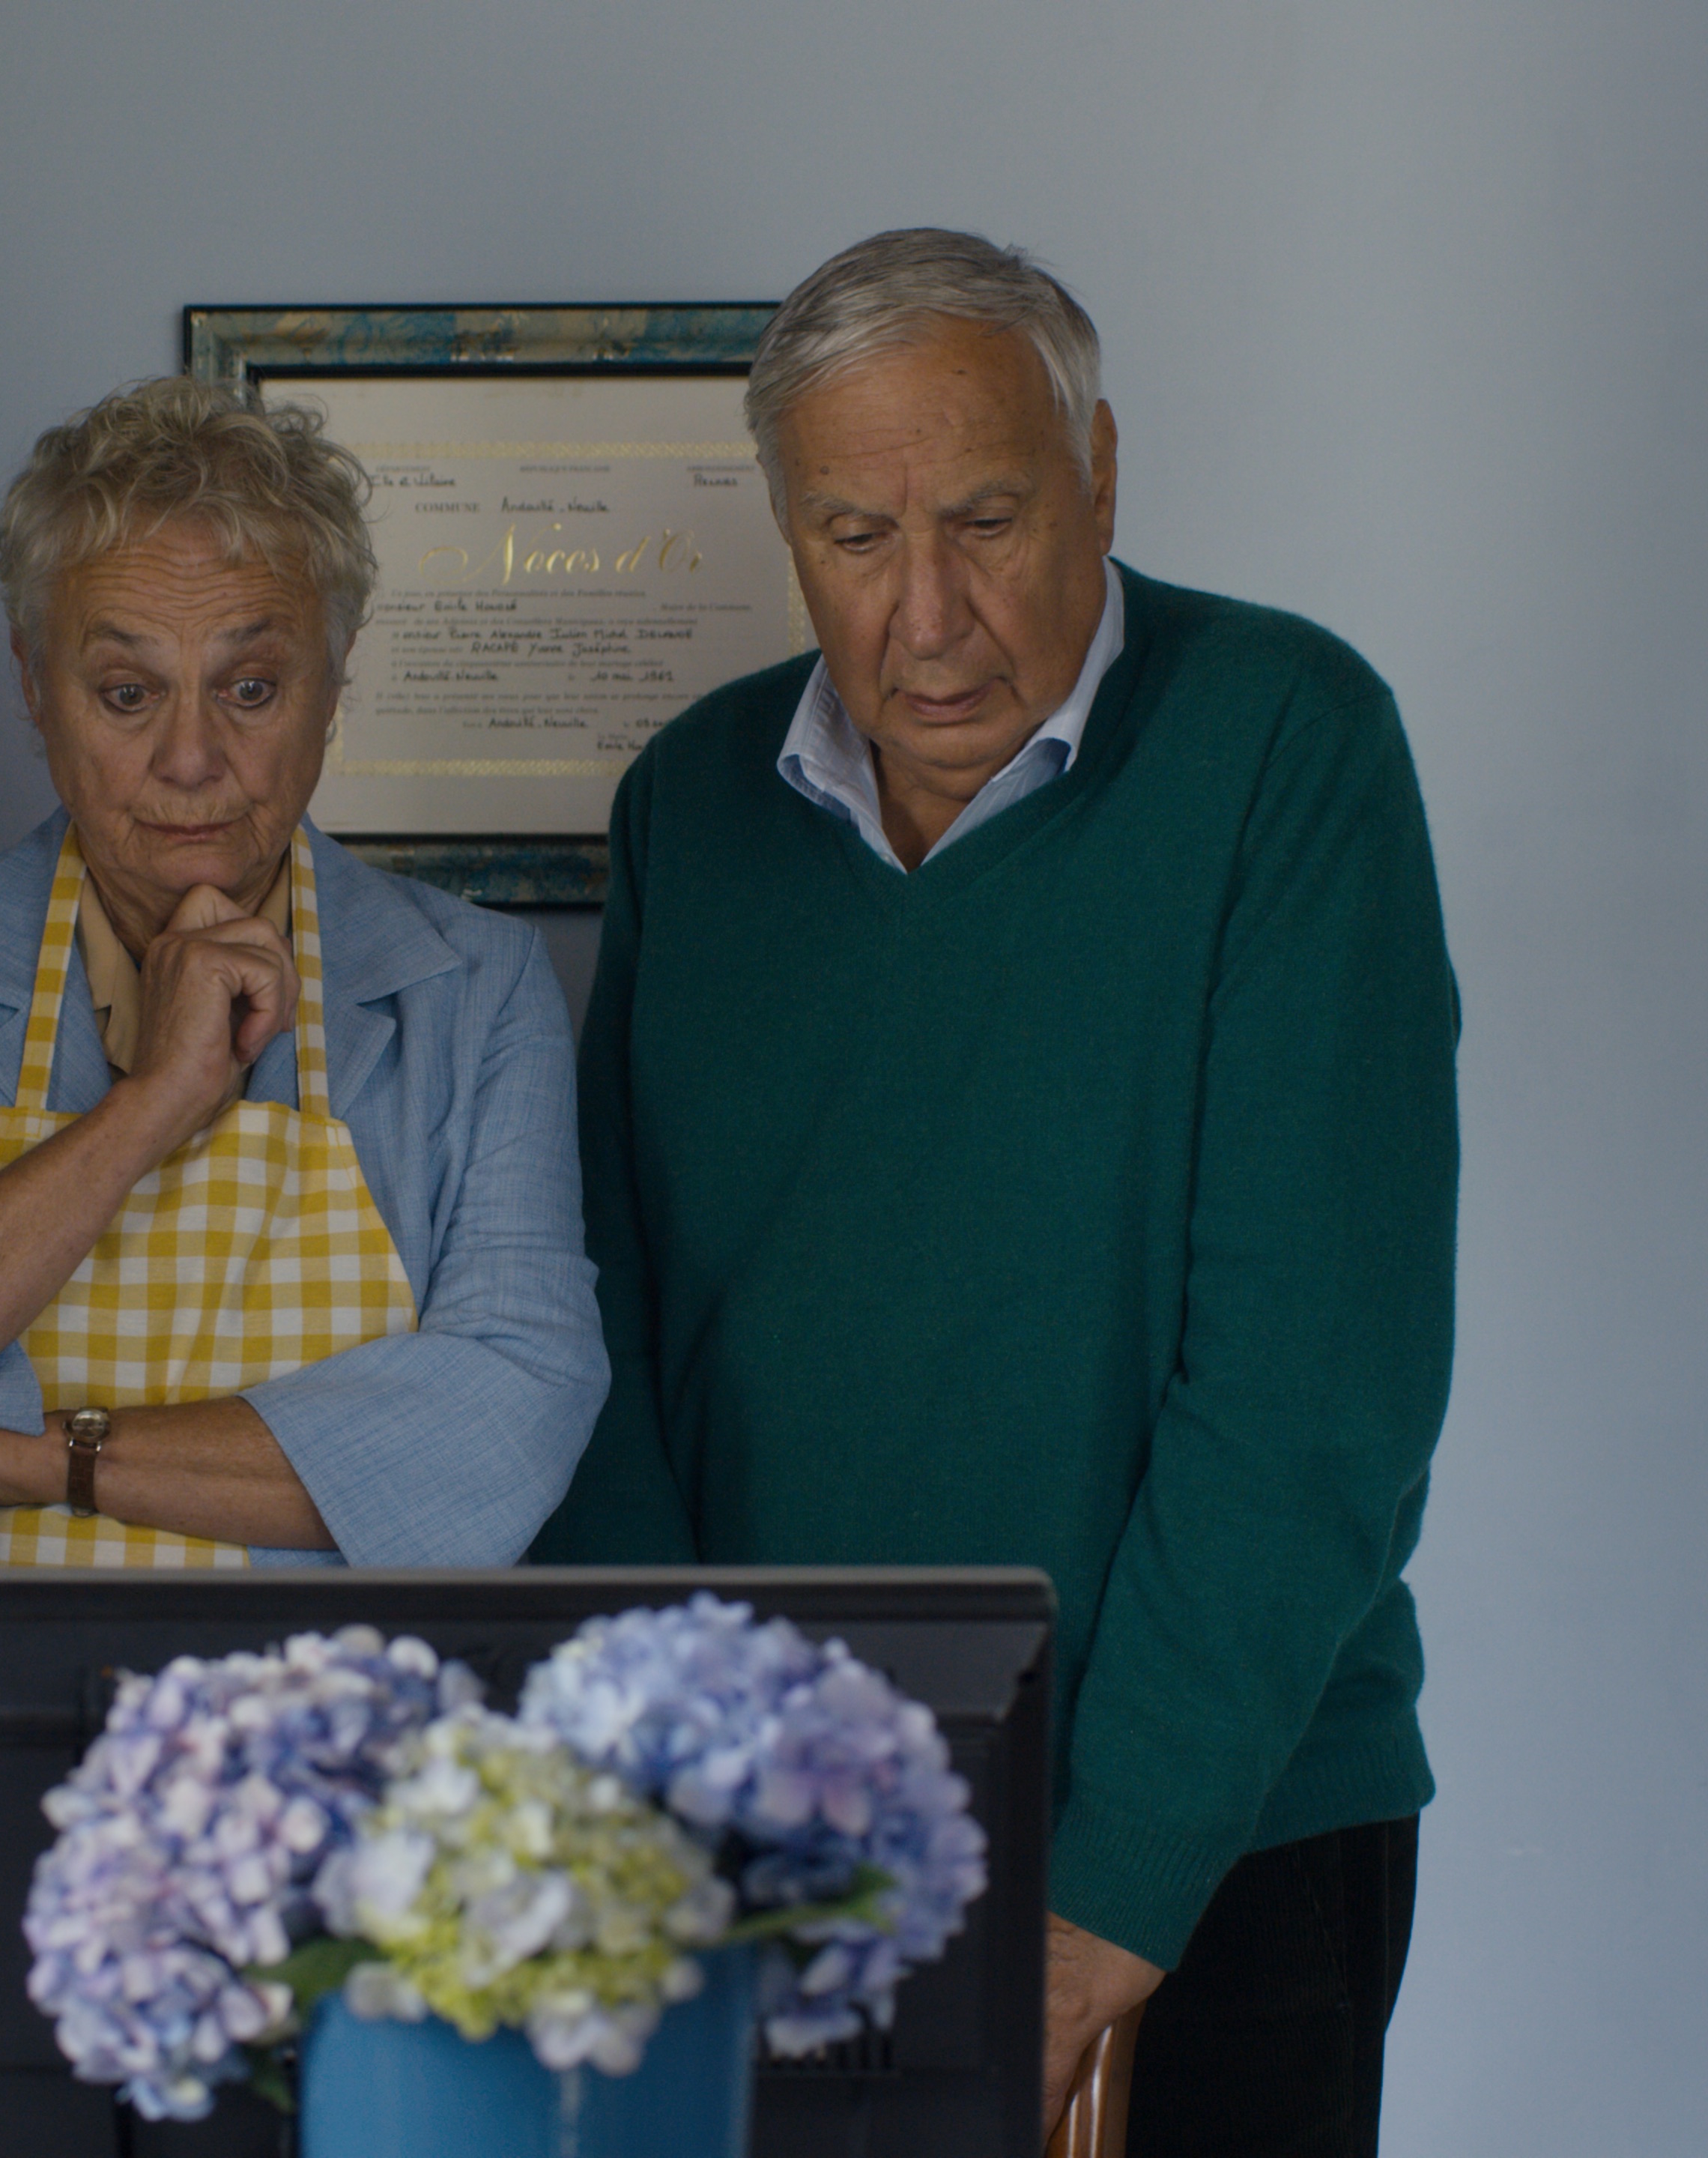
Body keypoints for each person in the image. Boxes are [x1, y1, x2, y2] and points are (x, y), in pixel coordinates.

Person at [532, 228, 1458, 2157]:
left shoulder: (1287, 742)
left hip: (1217, 1851)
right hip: (776, 1850)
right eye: (857, 539)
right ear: (789, 532)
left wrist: (1107, 1907)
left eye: (986, 520)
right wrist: (674, 1804)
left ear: (1097, 475)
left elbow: (1311, 1394)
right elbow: (605, 1344)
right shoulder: (690, 800)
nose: (928, 616)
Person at [0, 375, 609, 2157]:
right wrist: (155, 1102)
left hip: (317, 1854)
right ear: (34, 691)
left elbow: (504, 1425)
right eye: (127, 692)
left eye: (251, 686)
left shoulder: (470, 993)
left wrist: (26, 1460)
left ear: (332, 687)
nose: (192, 760)